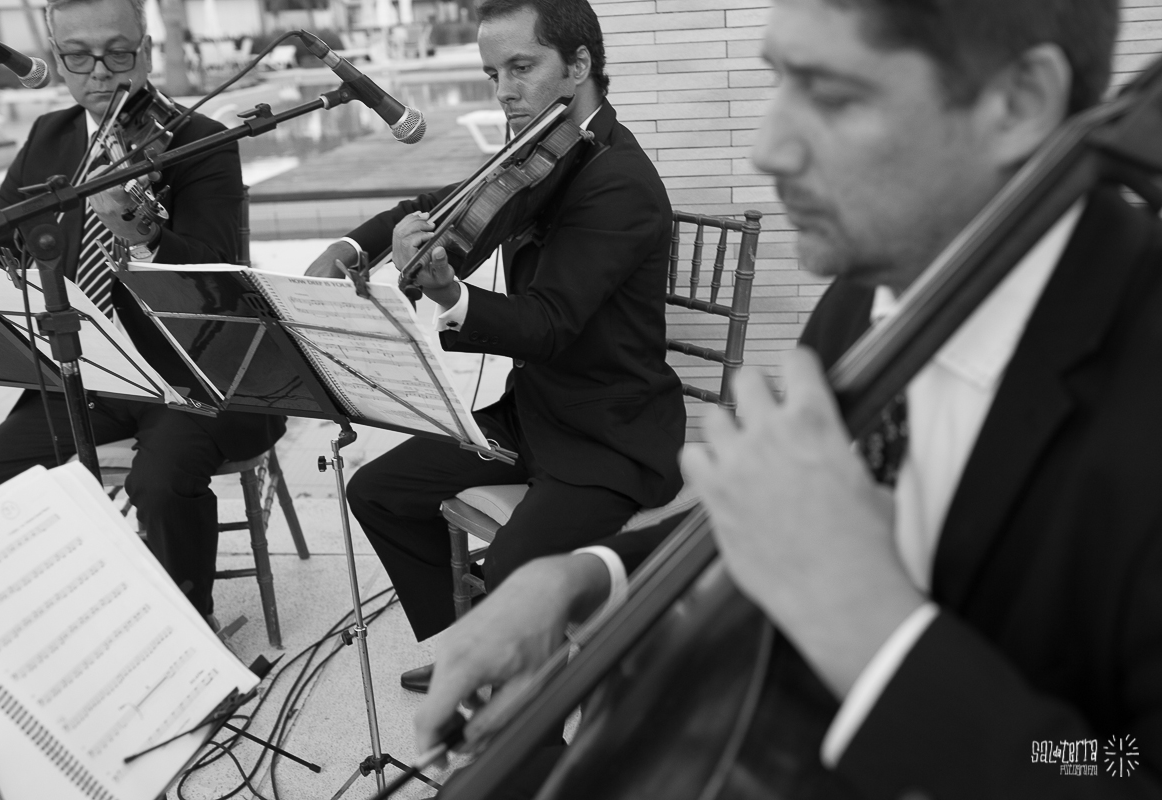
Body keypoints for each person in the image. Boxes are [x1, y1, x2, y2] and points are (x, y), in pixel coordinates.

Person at [416, 0, 1162, 795]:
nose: (770, 147)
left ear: (1017, 103)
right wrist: (582, 578)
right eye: (779, 80)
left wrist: (872, 629)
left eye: (833, 94)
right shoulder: (868, 292)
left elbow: (1117, 764)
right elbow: (778, 521)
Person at [304, 0, 683, 690]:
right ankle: (481, 647)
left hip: (610, 440)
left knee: (513, 567)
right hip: (534, 416)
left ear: (578, 66)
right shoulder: (535, 153)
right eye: (491, 74)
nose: (505, 91)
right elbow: (426, 206)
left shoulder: (618, 181)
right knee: (378, 492)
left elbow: (548, 324)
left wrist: (452, 295)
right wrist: (350, 244)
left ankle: (533, 738)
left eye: (521, 67)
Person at [0, 0, 285, 622]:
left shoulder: (200, 141)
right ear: (56, 57)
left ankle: (190, 624)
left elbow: (216, 272)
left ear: (148, 50)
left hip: (191, 372)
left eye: (118, 52)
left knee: (159, 484)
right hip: (84, 370)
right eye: (78, 56)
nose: (100, 71)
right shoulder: (50, 136)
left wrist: (147, 234)